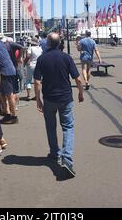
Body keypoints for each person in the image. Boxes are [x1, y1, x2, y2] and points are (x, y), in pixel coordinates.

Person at [34, 33, 84, 178]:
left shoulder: (42, 59)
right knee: (68, 127)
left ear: (48, 44)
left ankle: (55, 153)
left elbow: (37, 82)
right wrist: (80, 93)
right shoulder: (66, 57)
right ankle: (66, 158)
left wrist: (38, 100)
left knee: (50, 126)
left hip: (49, 99)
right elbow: (78, 79)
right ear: (59, 43)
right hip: (65, 98)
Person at [0, 35, 19, 124]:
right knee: (2, 94)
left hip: (5, 72)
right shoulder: (2, 44)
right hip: (9, 70)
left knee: (9, 95)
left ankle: (13, 116)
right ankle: (8, 114)